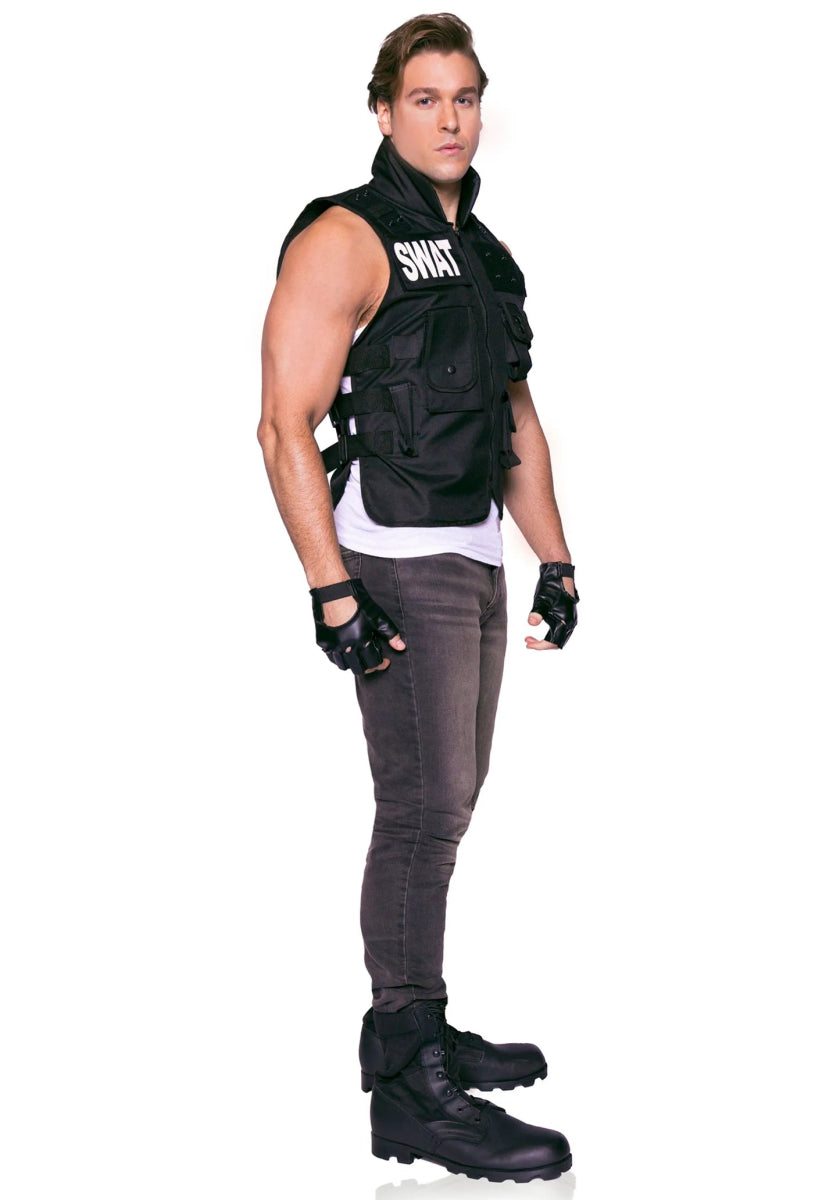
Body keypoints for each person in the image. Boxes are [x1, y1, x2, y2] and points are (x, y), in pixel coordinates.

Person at [258, 13, 578, 1183]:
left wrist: (556, 560)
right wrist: (333, 594)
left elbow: (514, 418)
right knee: (422, 808)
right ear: (385, 110)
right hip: (392, 554)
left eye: (467, 97)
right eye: (427, 98)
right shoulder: (344, 236)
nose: (451, 119)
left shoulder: (485, 257)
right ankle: (407, 1081)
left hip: (474, 550)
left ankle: (419, 1019)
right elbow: (281, 422)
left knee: (453, 799)